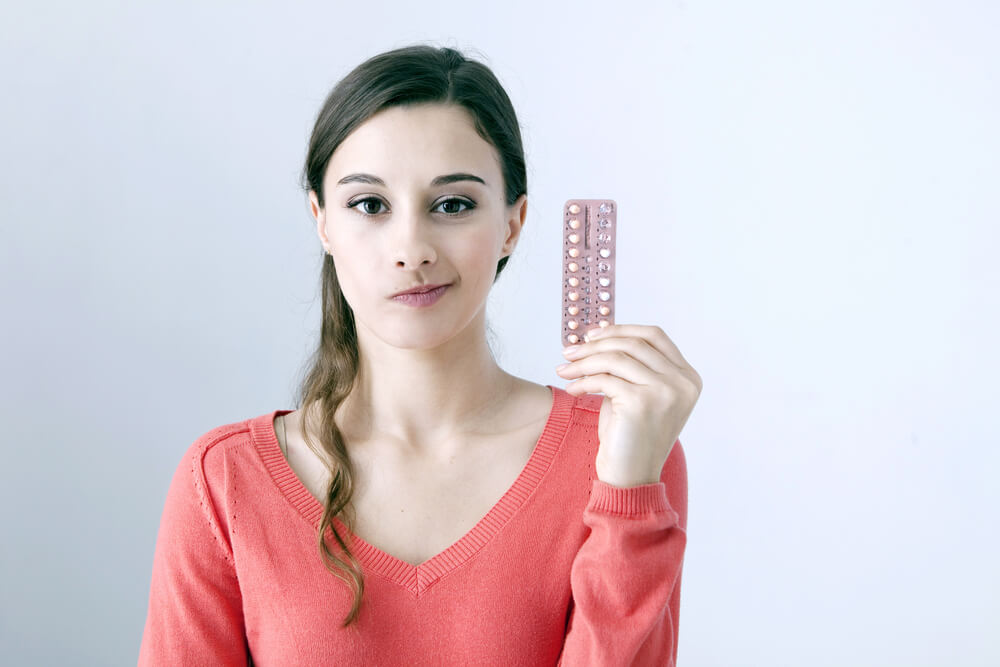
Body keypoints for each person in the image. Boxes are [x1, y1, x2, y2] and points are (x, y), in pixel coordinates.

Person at [138, 43, 701, 666]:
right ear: (323, 221)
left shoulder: (622, 451)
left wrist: (629, 491)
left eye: (453, 205)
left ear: (512, 224)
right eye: (369, 205)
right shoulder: (223, 482)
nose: (411, 248)